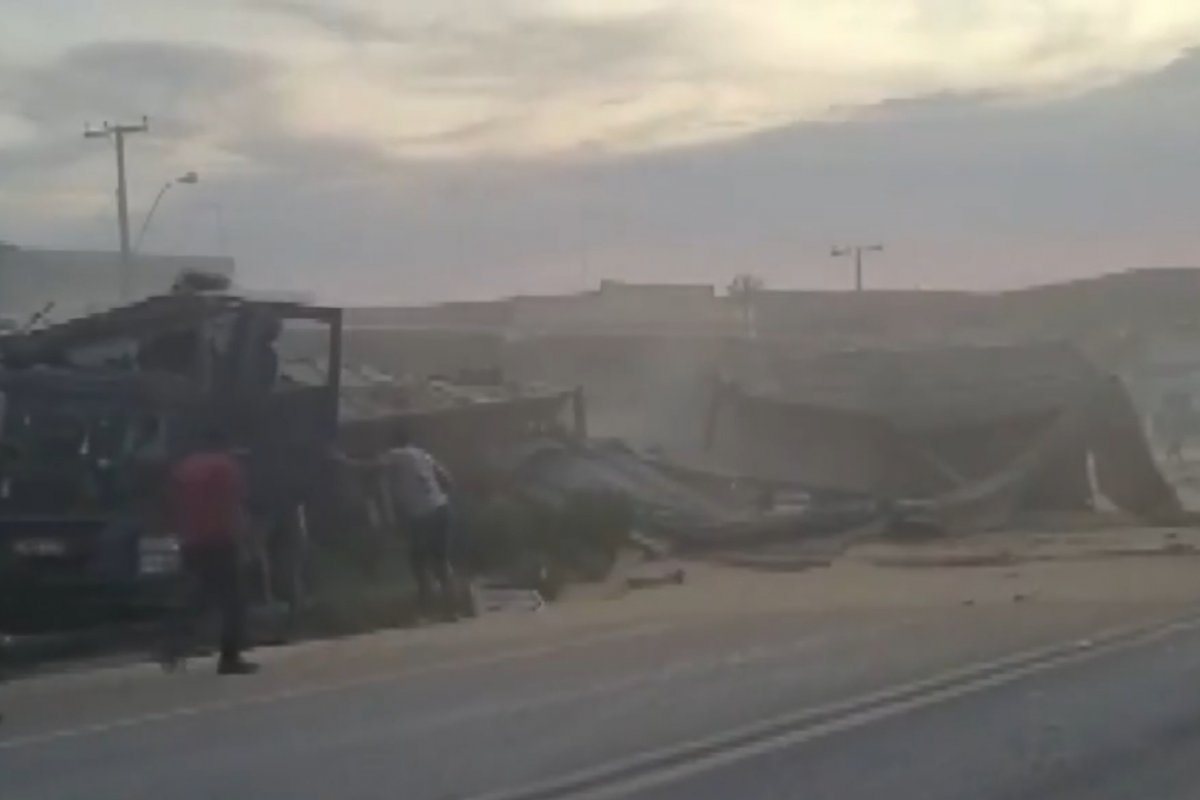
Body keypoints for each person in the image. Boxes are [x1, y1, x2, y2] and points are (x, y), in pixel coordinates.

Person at [163, 427, 258, 675]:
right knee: (233, 601)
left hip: (191, 541)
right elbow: (234, 504)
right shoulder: (226, 467)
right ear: (223, 444)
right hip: (221, 541)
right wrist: (244, 539)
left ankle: (173, 641)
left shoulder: (184, 467)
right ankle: (229, 658)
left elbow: (171, 502)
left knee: (197, 596)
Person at [381, 426, 458, 619]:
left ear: (393, 442)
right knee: (441, 562)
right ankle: (451, 609)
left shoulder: (394, 455)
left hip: (421, 515)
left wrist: (341, 460)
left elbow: (371, 465)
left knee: (419, 563)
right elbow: (448, 479)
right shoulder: (423, 454)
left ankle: (427, 610)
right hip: (441, 508)